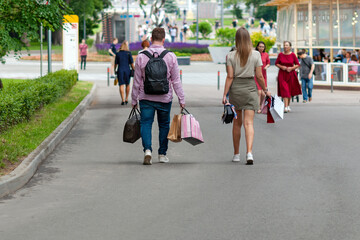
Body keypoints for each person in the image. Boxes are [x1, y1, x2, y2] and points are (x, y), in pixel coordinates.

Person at [131, 27, 185, 165]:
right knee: (164, 125)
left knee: (146, 123)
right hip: (164, 97)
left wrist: (133, 99)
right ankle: (162, 154)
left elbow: (137, 81)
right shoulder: (171, 56)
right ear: (164, 39)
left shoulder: (141, 56)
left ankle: (147, 150)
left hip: (146, 97)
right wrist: (181, 99)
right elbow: (176, 80)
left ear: (150, 40)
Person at [222, 27, 271, 165]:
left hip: (236, 89)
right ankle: (249, 153)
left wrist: (225, 94)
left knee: (237, 124)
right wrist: (266, 89)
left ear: (237, 39)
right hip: (250, 88)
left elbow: (230, 76)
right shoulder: (256, 55)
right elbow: (259, 75)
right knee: (249, 123)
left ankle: (236, 154)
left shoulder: (231, 55)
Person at [275, 41, 301, 113]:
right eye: (284, 45)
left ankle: (288, 106)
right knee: (285, 90)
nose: (285, 46)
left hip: (291, 74)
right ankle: (285, 107)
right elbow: (276, 63)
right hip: (282, 74)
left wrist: (292, 68)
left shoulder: (293, 55)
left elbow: (297, 64)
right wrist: (281, 66)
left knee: (289, 91)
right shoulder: (280, 54)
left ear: (290, 47)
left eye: (287, 45)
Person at [115, 41, 135, 105]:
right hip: (127, 70)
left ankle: (123, 99)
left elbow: (116, 64)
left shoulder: (118, 53)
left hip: (120, 70)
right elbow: (131, 63)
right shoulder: (129, 53)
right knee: (127, 84)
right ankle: (126, 98)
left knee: (121, 84)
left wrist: (115, 69)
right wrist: (134, 69)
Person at [254, 41, 270, 113]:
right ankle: (258, 107)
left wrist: (266, 67)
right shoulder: (255, 54)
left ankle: (261, 105)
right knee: (259, 92)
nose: (261, 48)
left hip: (263, 75)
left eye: (262, 47)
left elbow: (268, 63)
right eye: (260, 46)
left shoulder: (266, 54)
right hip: (256, 75)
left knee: (263, 93)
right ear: (257, 47)